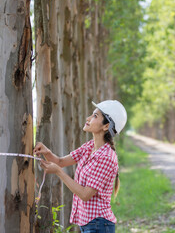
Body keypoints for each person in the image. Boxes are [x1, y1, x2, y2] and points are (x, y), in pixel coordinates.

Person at [33, 100, 127, 233]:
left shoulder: (106, 157)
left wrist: (59, 172)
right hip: (88, 223)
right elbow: (60, 161)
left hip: (98, 224)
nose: (88, 118)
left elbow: (85, 194)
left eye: (95, 116)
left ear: (106, 126)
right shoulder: (89, 147)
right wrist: (46, 152)